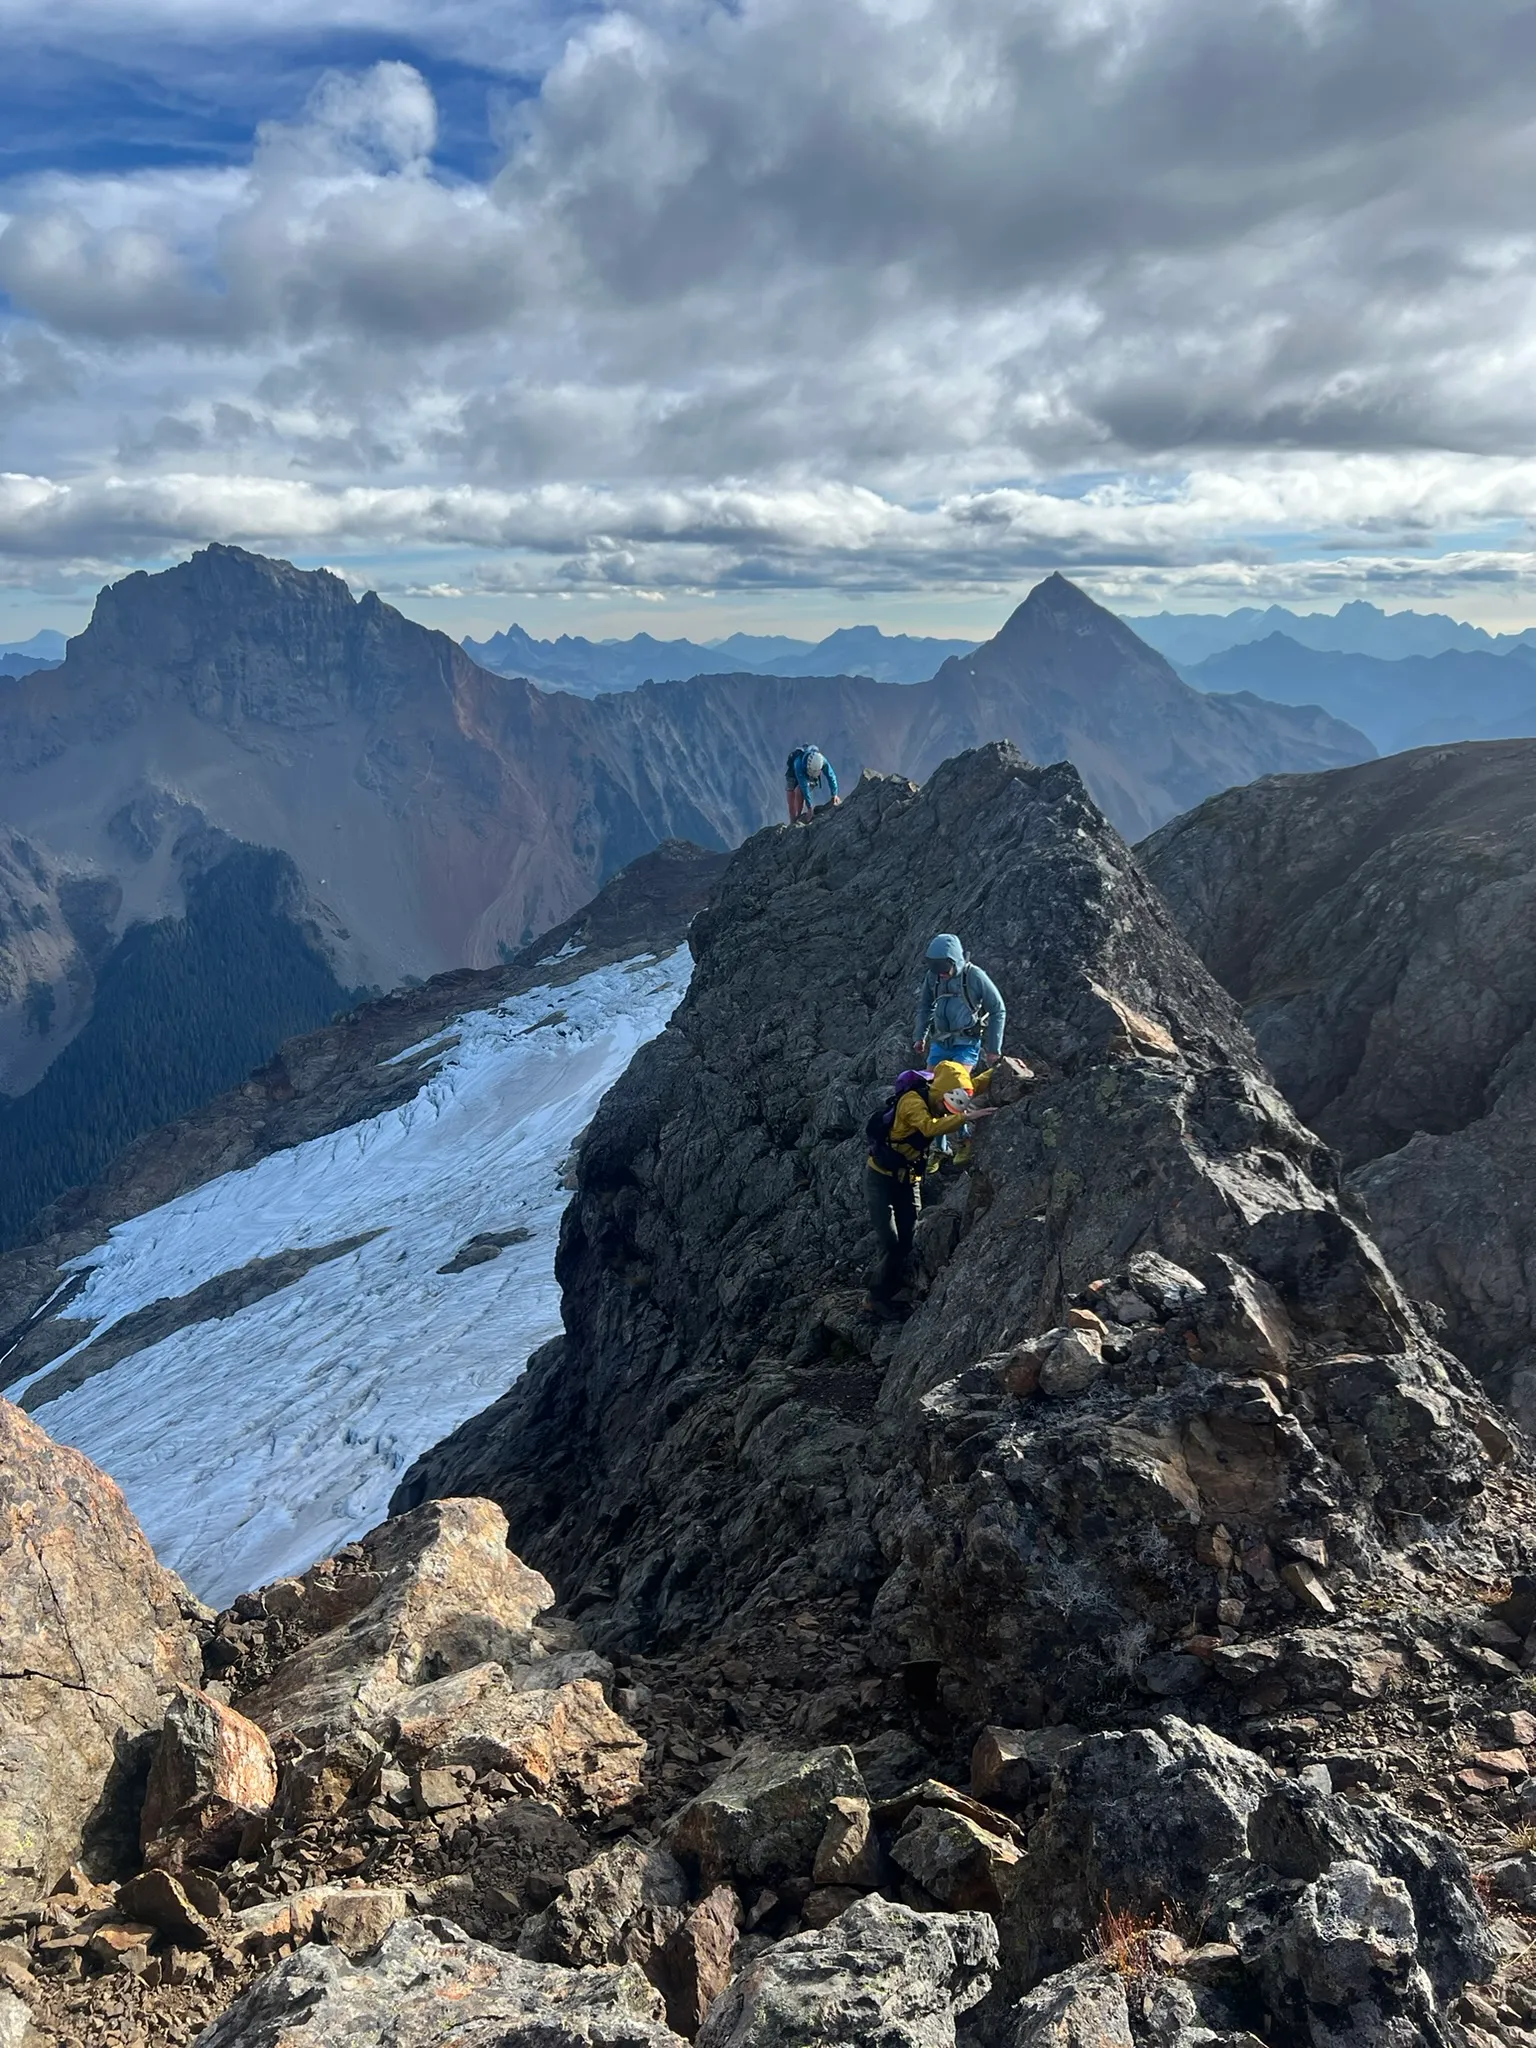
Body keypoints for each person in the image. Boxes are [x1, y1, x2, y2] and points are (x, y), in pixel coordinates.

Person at [864, 1059, 996, 1321]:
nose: (944, 1112)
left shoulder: (943, 1092)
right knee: (892, 1242)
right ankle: (876, 1297)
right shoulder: (912, 1102)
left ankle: (888, 1284)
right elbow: (928, 1127)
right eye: (943, 1107)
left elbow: (973, 1086)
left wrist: (1000, 1068)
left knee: (907, 1239)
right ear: (939, 1093)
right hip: (880, 1179)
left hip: (908, 1180)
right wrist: (965, 1117)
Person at [913, 934, 1005, 1073]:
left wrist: (993, 1050)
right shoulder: (933, 976)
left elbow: (997, 1010)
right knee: (931, 1088)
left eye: (944, 968)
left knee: (956, 1086)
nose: (940, 974)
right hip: (940, 1042)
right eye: (935, 968)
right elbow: (925, 1006)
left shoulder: (974, 975)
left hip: (966, 1043)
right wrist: (920, 1036)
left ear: (954, 961)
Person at [785, 744, 841, 823]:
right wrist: (810, 807)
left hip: (809, 775)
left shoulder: (822, 761)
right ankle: (793, 819)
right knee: (791, 796)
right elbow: (804, 785)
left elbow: (831, 776)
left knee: (799, 791)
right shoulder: (798, 763)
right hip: (794, 773)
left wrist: (834, 794)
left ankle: (798, 816)